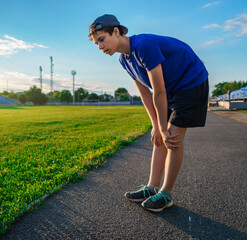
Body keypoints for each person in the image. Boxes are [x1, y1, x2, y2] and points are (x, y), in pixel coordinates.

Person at [88, 14, 209, 212]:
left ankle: (166, 193)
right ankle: (151, 188)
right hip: (171, 87)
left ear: (116, 32)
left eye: (101, 40)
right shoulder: (123, 60)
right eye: (96, 44)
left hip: (191, 81)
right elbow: (145, 91)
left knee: (172, 137)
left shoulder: (144, 46)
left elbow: (159, 91)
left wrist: (162, 127)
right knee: (159, 137)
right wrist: (155, 125)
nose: (100, 47)